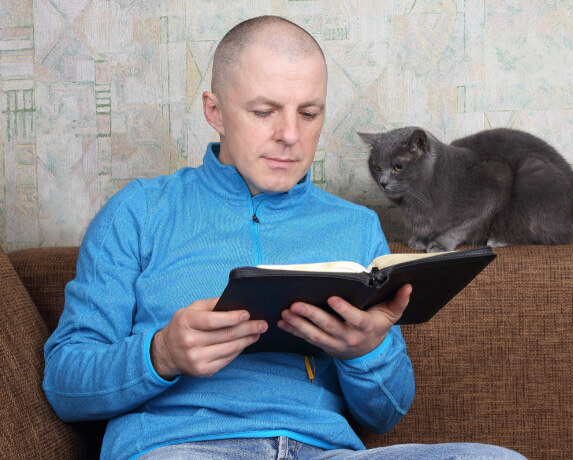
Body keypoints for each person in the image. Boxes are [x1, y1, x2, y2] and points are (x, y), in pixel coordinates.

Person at [43, 16, 525, 460]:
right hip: (183, 447)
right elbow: (65, 384)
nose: (291, 135)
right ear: (215, 111)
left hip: (322, 450)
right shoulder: (139, 211)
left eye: (309, 113)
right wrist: (160, 353)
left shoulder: (356, 226)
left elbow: (387, 413)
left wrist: (366, 352)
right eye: (264, 111)